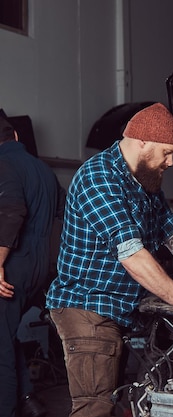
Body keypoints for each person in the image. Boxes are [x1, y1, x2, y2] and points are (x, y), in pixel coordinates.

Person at [45, 102, 173, 417]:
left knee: (126, 403)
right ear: (142, 142)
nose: (171, 162)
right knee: (94, 409)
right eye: (167, 152)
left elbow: (172, 232)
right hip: (89, 309)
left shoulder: (144, 183)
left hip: (121, 311)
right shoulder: (99, 178)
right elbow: (131, 254)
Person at [0, 113, 65, 417]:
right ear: (15, 136)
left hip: (12, 268)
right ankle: (28, 399)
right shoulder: (43, 170)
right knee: (6, 336)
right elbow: (65, 212)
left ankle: (8, 408)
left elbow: (13, 212)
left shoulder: (3, 164)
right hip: (39, 270)